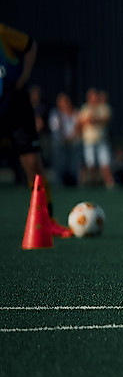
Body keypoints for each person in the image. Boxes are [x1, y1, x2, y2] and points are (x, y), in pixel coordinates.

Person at [0, 22, 72, 236]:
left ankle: (47, 219)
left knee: (33, 164)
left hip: (14, 105)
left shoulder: (3, 33)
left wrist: (23, 77)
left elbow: (31, 45)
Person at [77, 87, 116, 188]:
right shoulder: (85, 108)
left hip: (101, 140)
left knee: (105, 163)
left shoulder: (103, 107)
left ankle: (110, 184)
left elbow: (106, 120)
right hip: (89, 141)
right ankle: (93, 184)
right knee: (91, 164)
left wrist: (94, 120)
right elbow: (80, 123)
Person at [48, 92, 80, 186]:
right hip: (60, 142)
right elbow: (55, 129)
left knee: (74, 162)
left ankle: (74, 182)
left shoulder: (75, 112)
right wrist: (64, 139)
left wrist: (71, 137)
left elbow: (78, 127)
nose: (65, 103)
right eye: (62, 101)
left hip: (73, 142)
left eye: (66, 101)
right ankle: (60, 182)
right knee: (59, 159)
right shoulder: (55, 114)